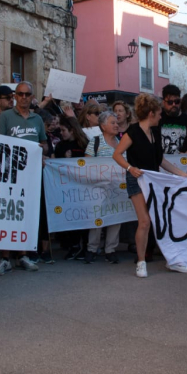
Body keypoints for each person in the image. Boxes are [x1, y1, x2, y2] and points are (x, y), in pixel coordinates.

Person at [112, 93, 187, 277]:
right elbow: (117, 154)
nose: (161, 116)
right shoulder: (133, 131)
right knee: (145, 221)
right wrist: (130, 168)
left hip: (154, 179)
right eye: (159, 113)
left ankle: (172, 259)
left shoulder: (155, 132)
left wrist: (182, 174)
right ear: (151, 114)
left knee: (163, 220)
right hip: (137, 179)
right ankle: (141, 262)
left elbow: (160, 160)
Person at [0, 81, 47, 274]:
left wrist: (41, 152)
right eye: (20, 94)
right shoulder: (5, 116)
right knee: (8, 212)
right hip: (9, 174)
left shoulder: (37, 119)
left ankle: (23, 255)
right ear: (15, 96)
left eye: (27, 94)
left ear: (32, 97)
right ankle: (5, 257)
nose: (23, 97)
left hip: (30, 175)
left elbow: (44, 143)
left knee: (27, 212)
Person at [85, 112, 123, 263]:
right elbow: (87, 164)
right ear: (103, 126)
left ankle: (110, 249)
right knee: (97, 217)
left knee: (116, 217)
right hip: (99, 188)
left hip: (117, 188)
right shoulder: (95, 142)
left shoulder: (121, 142)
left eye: (117, 123)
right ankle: (92, 248)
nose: (116, 125)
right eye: (113, 123)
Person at [159, 84, 187, 154]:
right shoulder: (157, 119)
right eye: (170, 102)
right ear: (164, 102)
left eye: (177, 102)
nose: (174, 105)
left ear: (180, 101)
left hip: (184, 160)